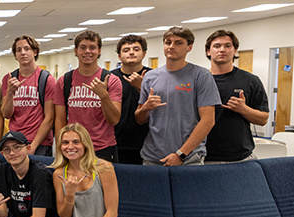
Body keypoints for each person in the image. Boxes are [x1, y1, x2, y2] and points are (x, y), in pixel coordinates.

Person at [135, 27, 221, 166]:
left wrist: (181, 154)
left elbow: (208, 121)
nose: (171, 47)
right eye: (168, 42)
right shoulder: (150, 77)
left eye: (178, 43)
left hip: (189, 158)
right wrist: (146, 108)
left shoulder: (201, 75)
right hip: (153, 156)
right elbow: (139, 119)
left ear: (189, 47)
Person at [54, 30, 123, 162]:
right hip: (74, 148)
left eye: (92, 47)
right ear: (76, 51)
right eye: (83, 47)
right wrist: (61, 147)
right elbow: (60, 120)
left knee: (105, 183)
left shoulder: (111, 80)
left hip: (103, 147)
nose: (87, 51)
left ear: (99, 51)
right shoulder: (65, 81)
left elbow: (114, 120)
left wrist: (104, 96)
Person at [205, 30, 269, 163]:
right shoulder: (199, 80)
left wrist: (243, 109)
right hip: (203, 157)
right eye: (217, 46)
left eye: (228, 46)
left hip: (240, 158)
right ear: (208, 51)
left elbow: (263, 119)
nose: (222, 50)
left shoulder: (251, 80)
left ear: (235, 51)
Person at [0, 35, 56, 156]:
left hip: (40, 142)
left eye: (27, 49)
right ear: (15, 55)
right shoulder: (8, 79)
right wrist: (10, 93)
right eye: (19, 50)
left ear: (35, 52)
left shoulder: (46, 79)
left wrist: (33, 146)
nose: (23, 53)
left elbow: (49, 118)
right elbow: (6, 114)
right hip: (15, 141)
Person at [111, 35, 152, 165]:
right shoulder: (110, 78)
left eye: (136, 49)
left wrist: (141, 88)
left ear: (144, 53)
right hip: (116, 142)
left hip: (146, 143)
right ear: (119, 56)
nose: (131, 52)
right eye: (126, 50)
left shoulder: (154, 76)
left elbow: (158, 109)